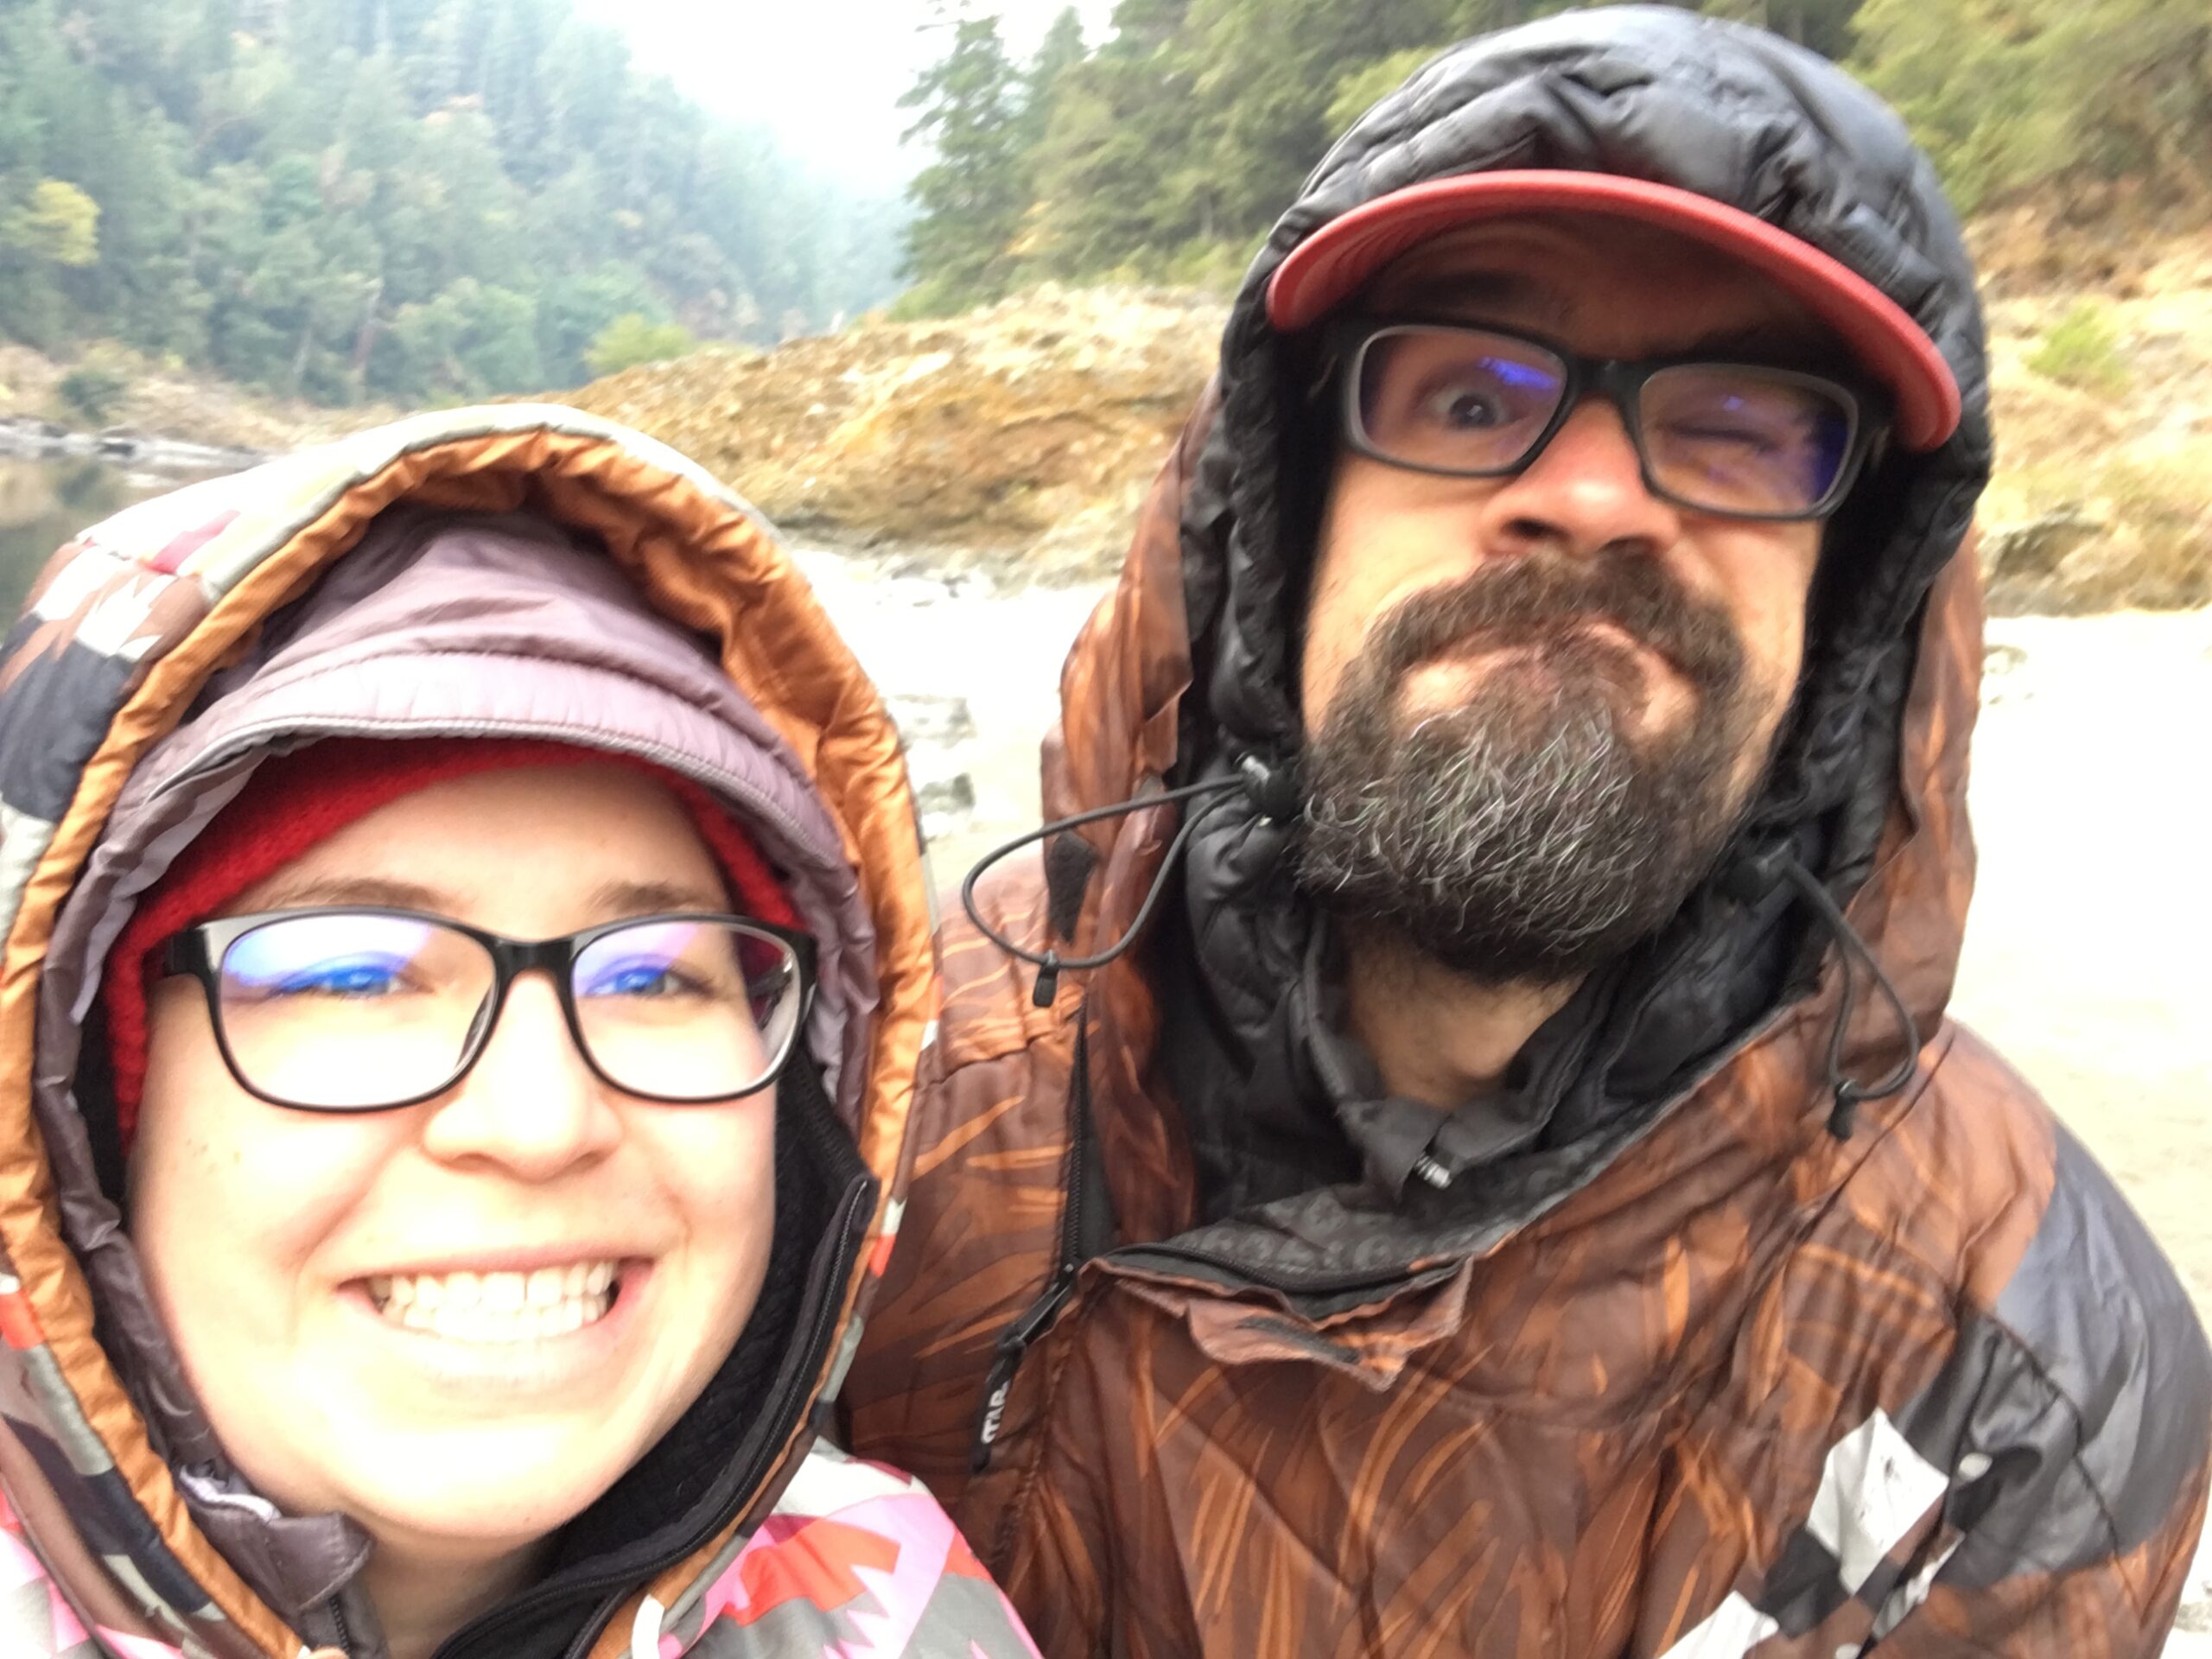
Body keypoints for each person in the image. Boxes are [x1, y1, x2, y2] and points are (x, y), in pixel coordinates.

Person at [840, 8, 2212, 1656]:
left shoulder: (2000, 1347)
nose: (1594, 494)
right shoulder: (869, 1117)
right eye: (1470, 396)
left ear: (1847, 617)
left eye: (1739, 425)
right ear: (1278, 533)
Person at [0, 407, 1038, 1658]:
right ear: (78, 1120)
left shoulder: (899, 1612)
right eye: (350, 973)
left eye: (657, 979)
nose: (539, 1123)